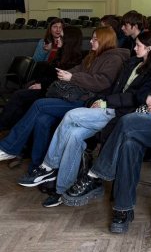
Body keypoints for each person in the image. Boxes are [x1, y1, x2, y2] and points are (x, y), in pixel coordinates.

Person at [60, 33, 151, 234]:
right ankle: (123, 209)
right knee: (129, 144)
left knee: (127, 121)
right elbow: (143, 91)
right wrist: (150, 99)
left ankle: (95, 174)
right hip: (146, 118)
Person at [20, 30, 151, 207]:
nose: (134, 48)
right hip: (110, 107)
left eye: (138, 45)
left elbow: (135, 97)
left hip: (121, 114)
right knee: (73, 135)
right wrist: (100, 100)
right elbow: (114, 88)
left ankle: (48, 167)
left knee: (71, 115)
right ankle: (62, 189)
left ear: (149, 48)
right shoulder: (133, 62)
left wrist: (105, 102)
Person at [0, 27, 129, 174]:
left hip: (88, 101)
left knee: (39, 104)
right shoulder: (93, 55)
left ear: (104, 40)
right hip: (77, 96)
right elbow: (78, 69)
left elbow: (102, 82)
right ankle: (38, 167)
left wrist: (72, 77)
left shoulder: (114, 59)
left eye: (95, 39)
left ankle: (9, 147)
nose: (91, 41)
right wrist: (66, 73)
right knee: (42, 120)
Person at [0, 26, 83, 132]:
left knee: (19, 95)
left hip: (53, 92)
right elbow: (47, 72)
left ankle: (4, 125)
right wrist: (38, 82)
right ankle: (12, 127)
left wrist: (42, 85)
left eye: (61, 37)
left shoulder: (75, 61)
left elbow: (61, 82)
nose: (57, 39)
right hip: (46, 86)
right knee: (23, 96)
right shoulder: (61, 54)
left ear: (69, 40)